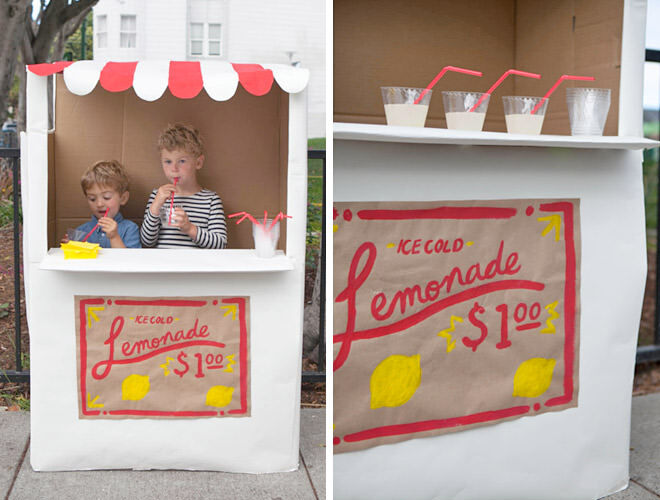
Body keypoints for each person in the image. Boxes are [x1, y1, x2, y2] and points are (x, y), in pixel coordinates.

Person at [140, 123, 227, 249]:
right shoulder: (157, 196)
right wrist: (155, 207)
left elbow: (220, 244)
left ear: (198, 162)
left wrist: (190, 228)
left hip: (195, 267)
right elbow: (146, 242)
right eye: (168, 161)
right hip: (163, 266)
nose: (174, 169)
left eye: (182, 161)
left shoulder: (211, 200)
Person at [62, 160, 140, 248]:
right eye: (92, 199)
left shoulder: (130, 229)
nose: (99, 204)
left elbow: (129, 260)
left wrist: (114, 237)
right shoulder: (81, 231)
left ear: (123, 198)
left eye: (106, 197)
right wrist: (69, 247)